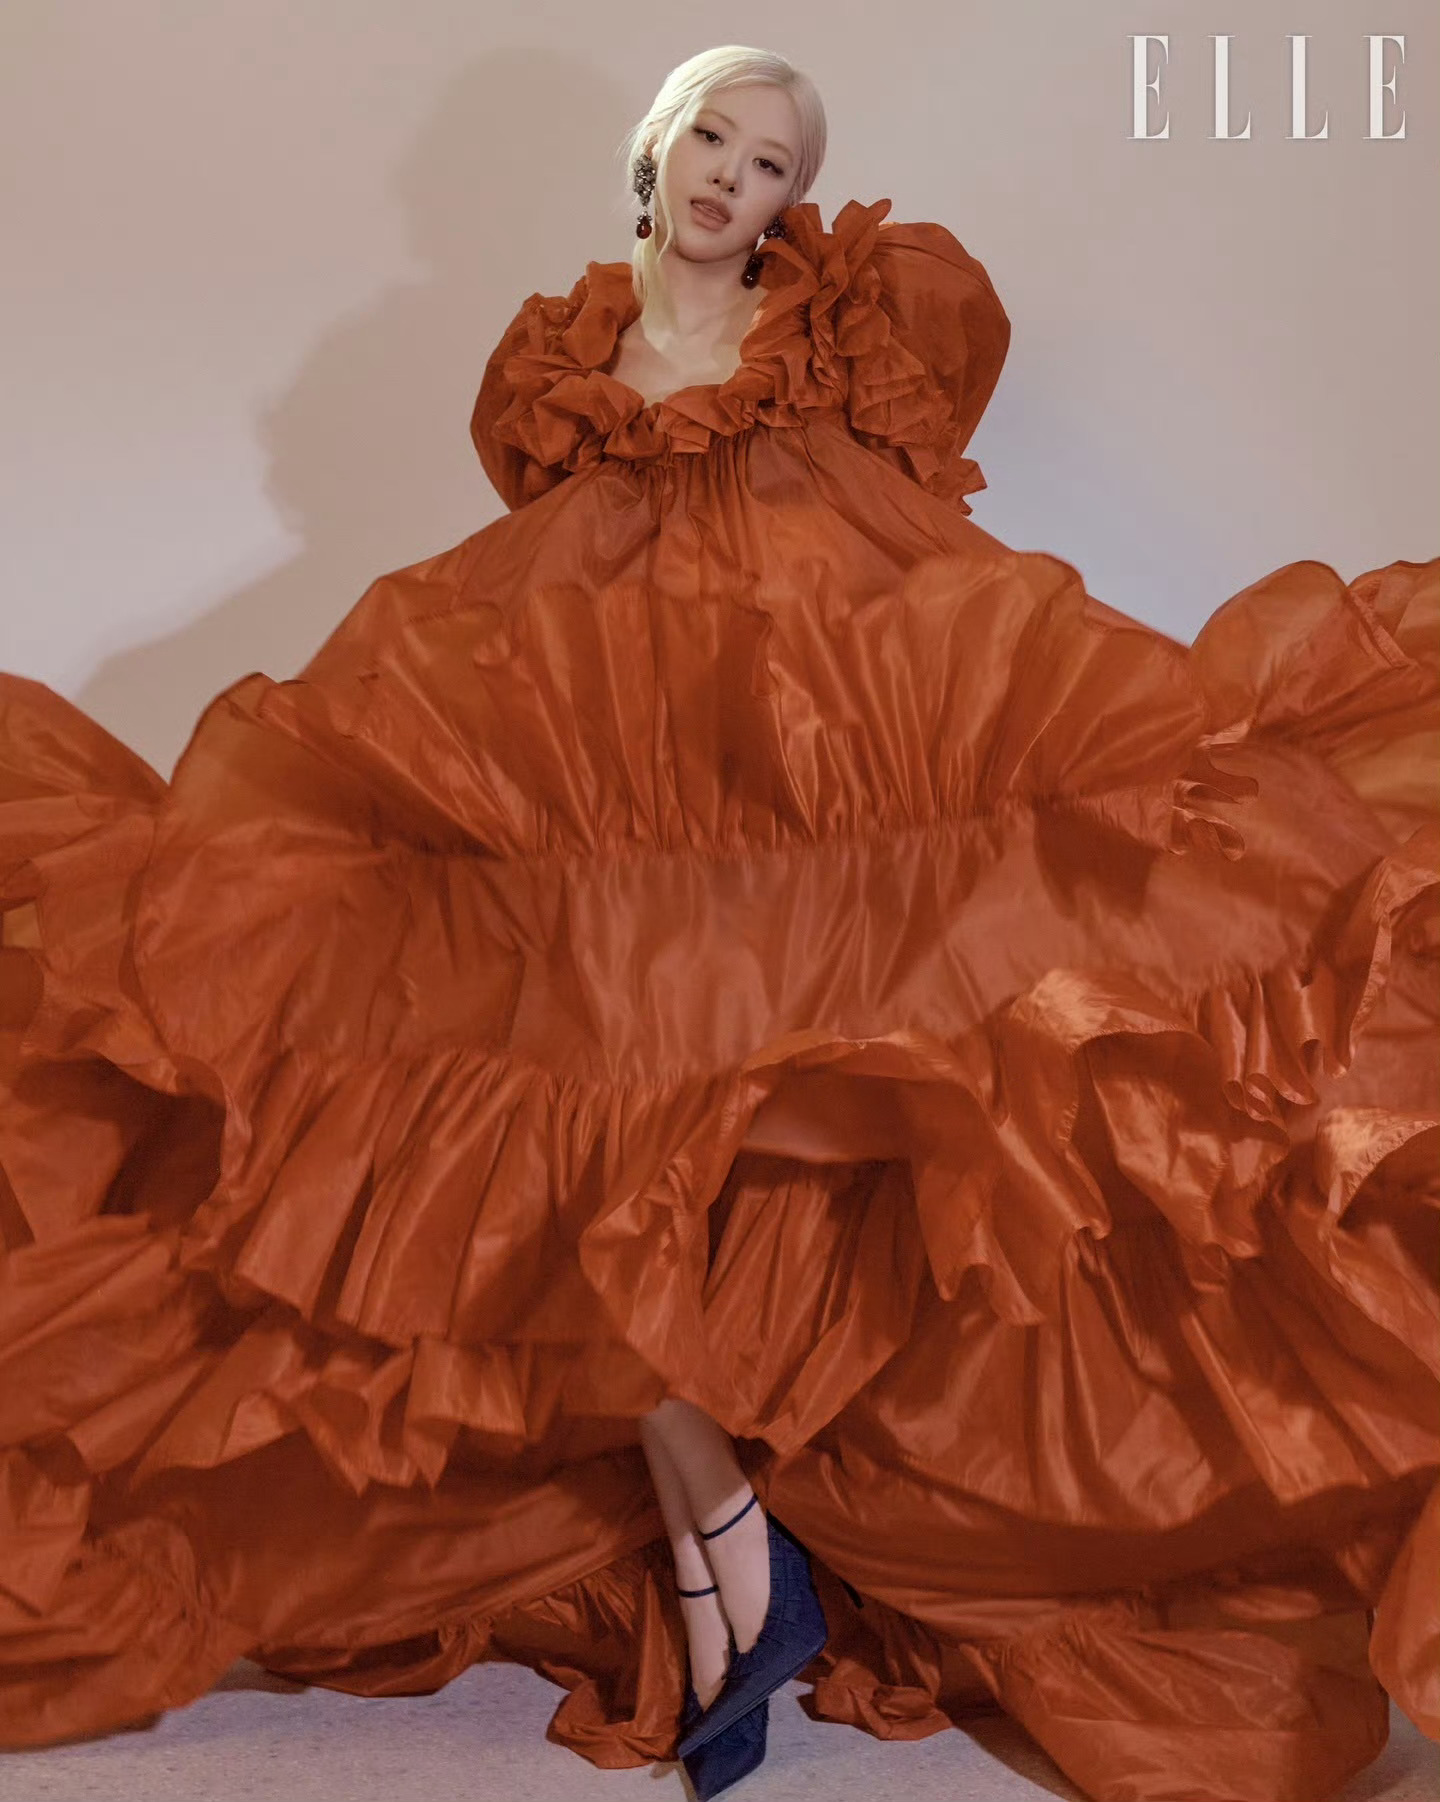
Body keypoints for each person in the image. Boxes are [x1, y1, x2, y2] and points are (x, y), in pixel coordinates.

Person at [0, 39, 1436, 1802]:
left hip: (797, 789)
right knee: (572, 1165)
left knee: (748, 1144)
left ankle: (735, 1570)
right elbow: (550, 577)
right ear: (660, 142)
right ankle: (725, 1544)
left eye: (770, 166)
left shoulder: (840, 327)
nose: (730, 180)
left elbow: (895, 509)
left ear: (790, 205)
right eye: (714, 139)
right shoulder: (556, 361)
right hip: (611, 814)